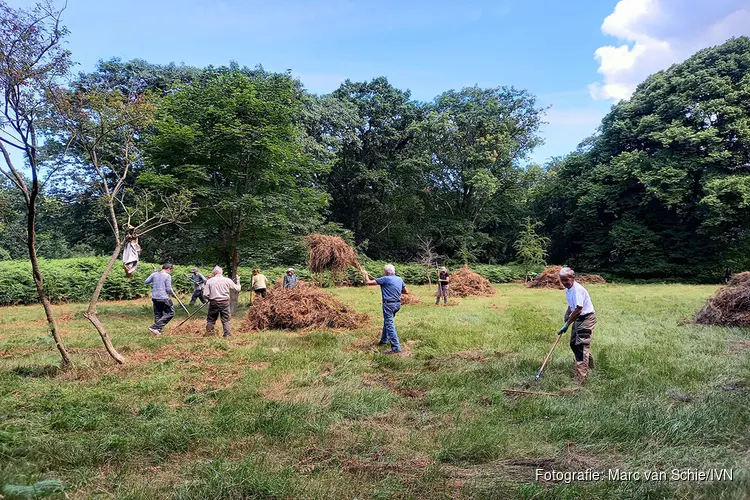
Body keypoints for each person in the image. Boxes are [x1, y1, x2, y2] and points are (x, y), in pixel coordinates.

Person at [557, 267, 596, 382]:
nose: (564, 283)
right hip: (578, 318)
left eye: (566, 280)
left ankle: (581, 378)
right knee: (573, 344)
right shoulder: (568, 289)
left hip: (586, 318)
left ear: (573, 278)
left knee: (581, 346)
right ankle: (590, 365)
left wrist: (567, 324)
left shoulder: (577, 289)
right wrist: (567, 314)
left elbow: (579, 309)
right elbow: (572, 305)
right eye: (562, 280)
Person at [363, 264, 408, 354]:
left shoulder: (385, 279)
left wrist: (365, 274)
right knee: (387, 322)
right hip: (397, 305)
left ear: (386, 272)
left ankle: (396, 348)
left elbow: (368, 282)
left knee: (389, 325)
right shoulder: (399, 279)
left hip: (388, 305)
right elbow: (405, 292)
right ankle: (383, 340)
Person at [203, 266, 242, 338]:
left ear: (213, 273)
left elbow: (205, 294)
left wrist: (209, 298)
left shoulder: (209, 281)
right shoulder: (227, 280)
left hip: (213, 302)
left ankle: (209, 334)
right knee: (225, 319)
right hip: (224, 302)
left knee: (211, 319)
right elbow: (238, 289)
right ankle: (227, 335)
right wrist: (238, 280)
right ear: (221, 272)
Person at [144, 263, 176, 335]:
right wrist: (173, 294)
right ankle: (155, 327)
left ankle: (157, 331)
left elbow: (146, 281)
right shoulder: (167, 276)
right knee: (170, 313)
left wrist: (153, 273)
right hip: (163, 297)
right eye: (170, 270)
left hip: (155, 297)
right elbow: (168, 288)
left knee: (158, 314)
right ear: (168, 269)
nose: (170, 272)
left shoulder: (154, 274)